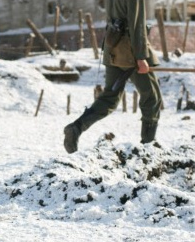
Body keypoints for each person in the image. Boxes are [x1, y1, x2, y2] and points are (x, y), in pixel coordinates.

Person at [64, 0, 162, 153]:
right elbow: (137, 24)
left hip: (112, 48)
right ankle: (148, 145)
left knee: (109, 98)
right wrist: (141, 57)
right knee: (152, 97)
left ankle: (76, 128)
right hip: (130, 53)